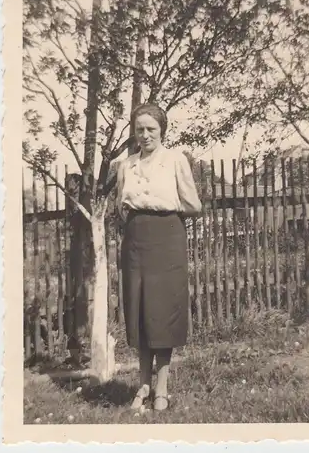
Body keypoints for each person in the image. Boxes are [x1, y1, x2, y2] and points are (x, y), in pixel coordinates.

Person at [116, 103, 201, 411]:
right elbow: (119, 207)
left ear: (162, 130)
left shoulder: (175, 160)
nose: (145, 134)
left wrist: (162, 204)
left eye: (151, 128)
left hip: (167, 238)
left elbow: (193, 205)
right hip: (136, 241)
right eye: (139, 129)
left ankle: (161, 389)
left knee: (162, 312)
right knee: (139, 311)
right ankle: (142, 386)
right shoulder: (126, 165)